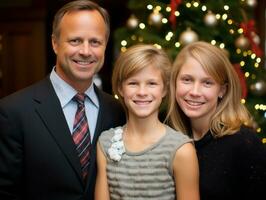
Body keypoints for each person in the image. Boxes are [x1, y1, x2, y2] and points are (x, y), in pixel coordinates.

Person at [0, 1, 125, 199]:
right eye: (75, 41)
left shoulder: (118, 111)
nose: (86, 51)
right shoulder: (13, 112)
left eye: (95, 42)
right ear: (55, 43)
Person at [95, 44, 200, 200]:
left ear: (164, 89)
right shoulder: (106, 142)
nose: (142, 92)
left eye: (152, 83)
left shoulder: (181, 149)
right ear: (121, 89)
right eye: (133, 83)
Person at [167, 41, 266, 200]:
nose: (195, 91)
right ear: (174, 83)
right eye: (187, 80)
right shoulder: (168, 136)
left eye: (207, 83)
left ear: (222, 90)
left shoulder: (245, 144)